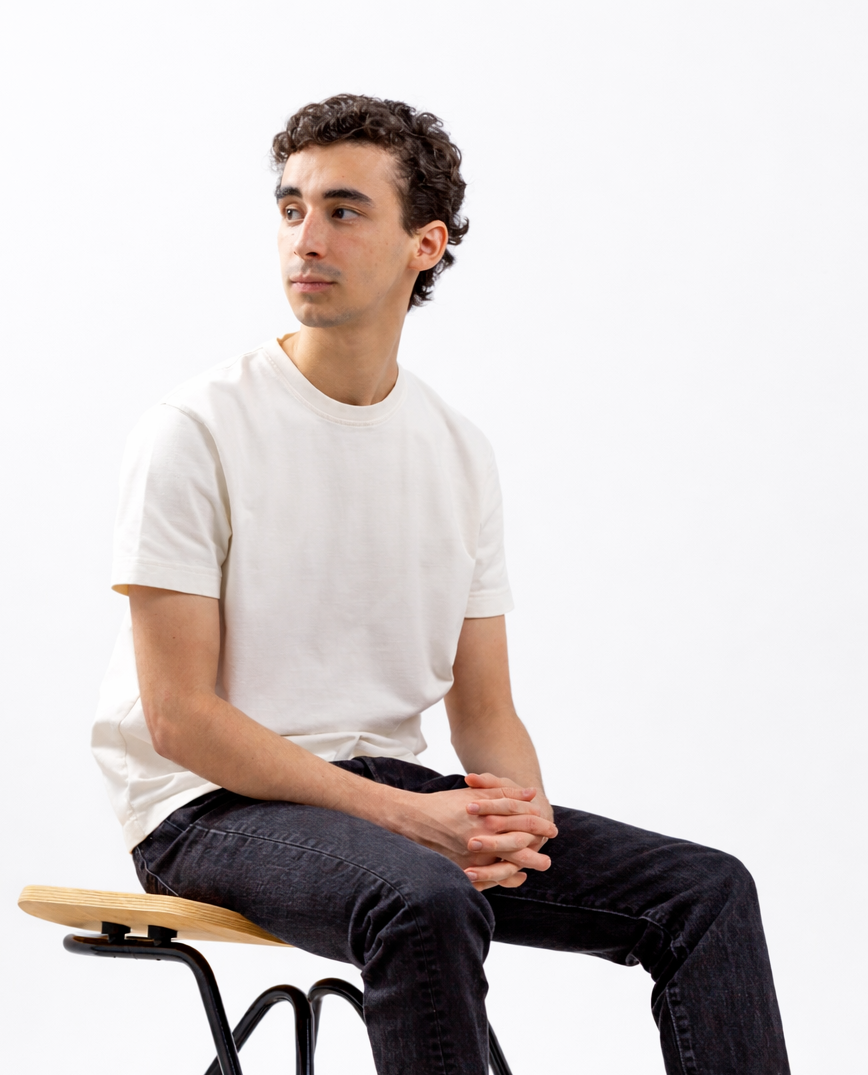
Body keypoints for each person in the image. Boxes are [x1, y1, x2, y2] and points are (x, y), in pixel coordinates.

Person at [91, 94, 789, 1075]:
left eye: (343, 209)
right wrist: (415, 822)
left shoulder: (456, 453)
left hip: (382, 796)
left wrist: (518, 825)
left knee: (704, 891)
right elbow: (179, 719)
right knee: (420, 895)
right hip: (208, 809)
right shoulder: (195, 429)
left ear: (425, 243)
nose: (306, 238)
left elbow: (487, 711)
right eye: (290, 208)